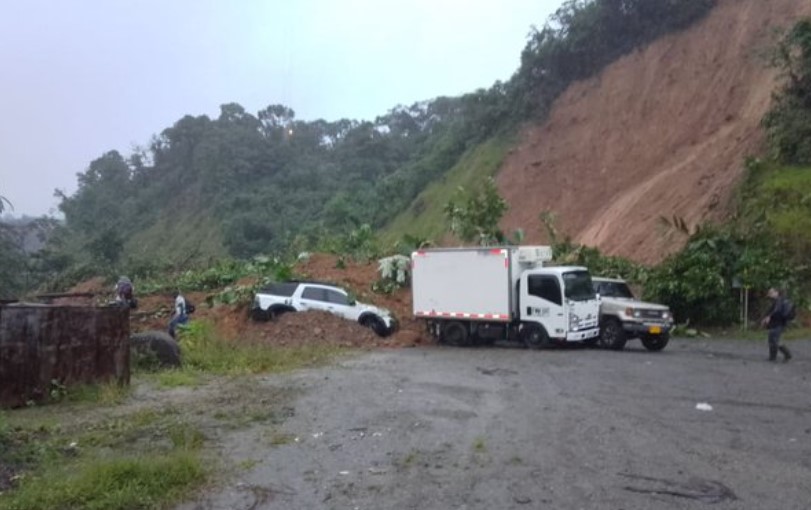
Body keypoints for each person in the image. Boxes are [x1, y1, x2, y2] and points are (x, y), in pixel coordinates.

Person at [760, 287, 792, 362]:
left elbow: (776, 311)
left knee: (774, 340)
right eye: (769, 293)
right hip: (774, 323)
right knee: (771, 339)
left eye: (771, 293)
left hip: (778, 323)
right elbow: (770, 311)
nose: (770, 294)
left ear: (777, 292)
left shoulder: (779, 301)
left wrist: (769, 317)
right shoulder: (775, 301)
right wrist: (765, 318)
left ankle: (787, 354)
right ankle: (772, 357)